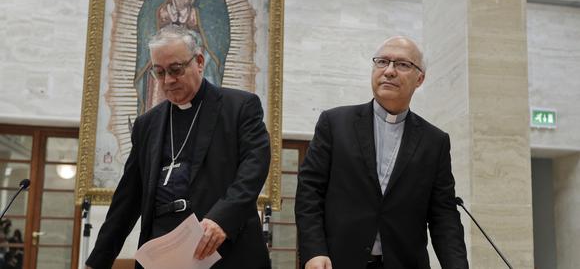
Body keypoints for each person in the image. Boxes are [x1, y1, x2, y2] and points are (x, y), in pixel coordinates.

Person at [86, 25, 271, 269]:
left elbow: (253, 169)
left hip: (221, 248)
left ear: (200, 61)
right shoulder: (147, 125)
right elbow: (127, 199)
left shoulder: (239, 107)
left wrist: (222, 220)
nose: (168, 81)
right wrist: (97, 262)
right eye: (159, 73)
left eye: (176, 69)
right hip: (162, 251)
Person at [295, 36, 468, 269]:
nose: (389, 71)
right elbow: (309, 192)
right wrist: (314, 251)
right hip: (337, 261)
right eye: (382, 62)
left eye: (402, 65)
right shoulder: (335, 124)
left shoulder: (434, 141)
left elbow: (443, 215)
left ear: (420, 79)